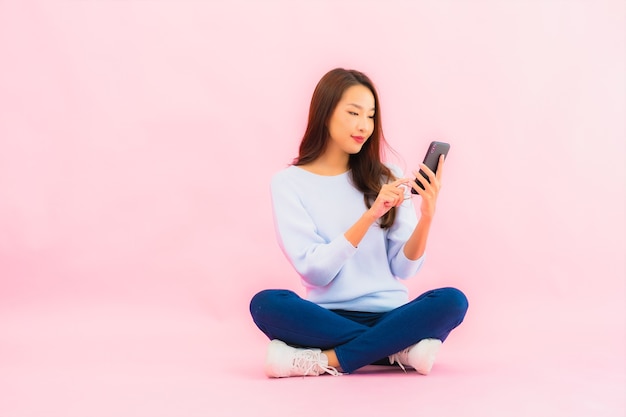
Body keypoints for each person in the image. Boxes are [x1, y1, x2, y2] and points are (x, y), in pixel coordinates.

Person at [249, 68, 468, 378]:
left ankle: (325, 360)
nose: (364, 126)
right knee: (266, 303)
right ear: (325, 114)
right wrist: (370, 216)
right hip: (325, 317)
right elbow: (315, 271)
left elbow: (404, 269)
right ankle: (395, 350)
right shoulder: (288, 183)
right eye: (354, 113)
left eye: (370, 116)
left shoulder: (387, 175)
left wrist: (427, 216)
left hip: (392, 315)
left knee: (452, 301)